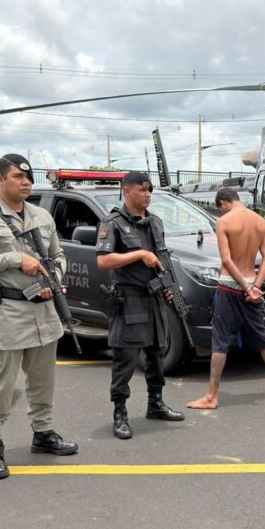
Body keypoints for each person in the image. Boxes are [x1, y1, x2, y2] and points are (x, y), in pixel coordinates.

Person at [0, 153, 78, 480]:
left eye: (29, 178)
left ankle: (43, 433)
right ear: (0, 179)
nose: (26, 183)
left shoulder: (41, 215)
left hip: (44, 311)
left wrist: (52, 279)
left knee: (43, 381)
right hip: (7, 313)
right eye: (17, 177)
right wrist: (14, 259)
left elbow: (58, 255)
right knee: (2, 383)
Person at [95, 171, 185, 440]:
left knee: (157, 354)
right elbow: (103, 261)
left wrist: (171, 286)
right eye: (141, 190)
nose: (147, 195)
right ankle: (120, 413)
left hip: (154, 298)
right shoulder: (113, 223)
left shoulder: (155, 223)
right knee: (126, 360)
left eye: (149, 191)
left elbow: (163, 259)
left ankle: (155, 404)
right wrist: (139, 254)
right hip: (129, 299)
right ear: (126, 192)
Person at [187, 188, 265, 409]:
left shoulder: (224, 222)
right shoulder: (260, 221)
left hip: (230, 286)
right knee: (261, 335)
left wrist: (245, 288)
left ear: (223, 203)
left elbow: (227, 261)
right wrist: (255, 286)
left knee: (220, 341)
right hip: (252, 284)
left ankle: (211, 396)